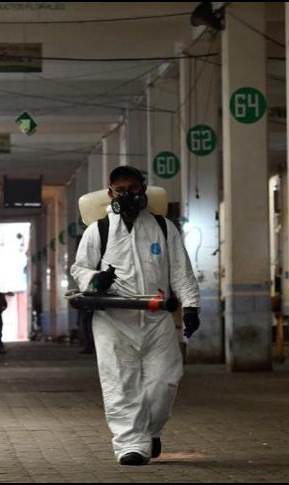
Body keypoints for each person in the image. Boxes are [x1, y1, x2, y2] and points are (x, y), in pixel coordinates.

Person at [70, 166, 200, 466]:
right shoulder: (98, 230)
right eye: (120, 190)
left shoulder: (163, 227)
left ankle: (151, 431)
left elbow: (180, 271)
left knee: (165, 381)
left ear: (144, 190)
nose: (127, 196)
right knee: (120, 382)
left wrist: (191, 305)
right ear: (110, 193)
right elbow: (80, 269)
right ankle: (131, 445)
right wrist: (96, 280)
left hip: (156, 319)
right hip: (113, 320)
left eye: (133, 189)